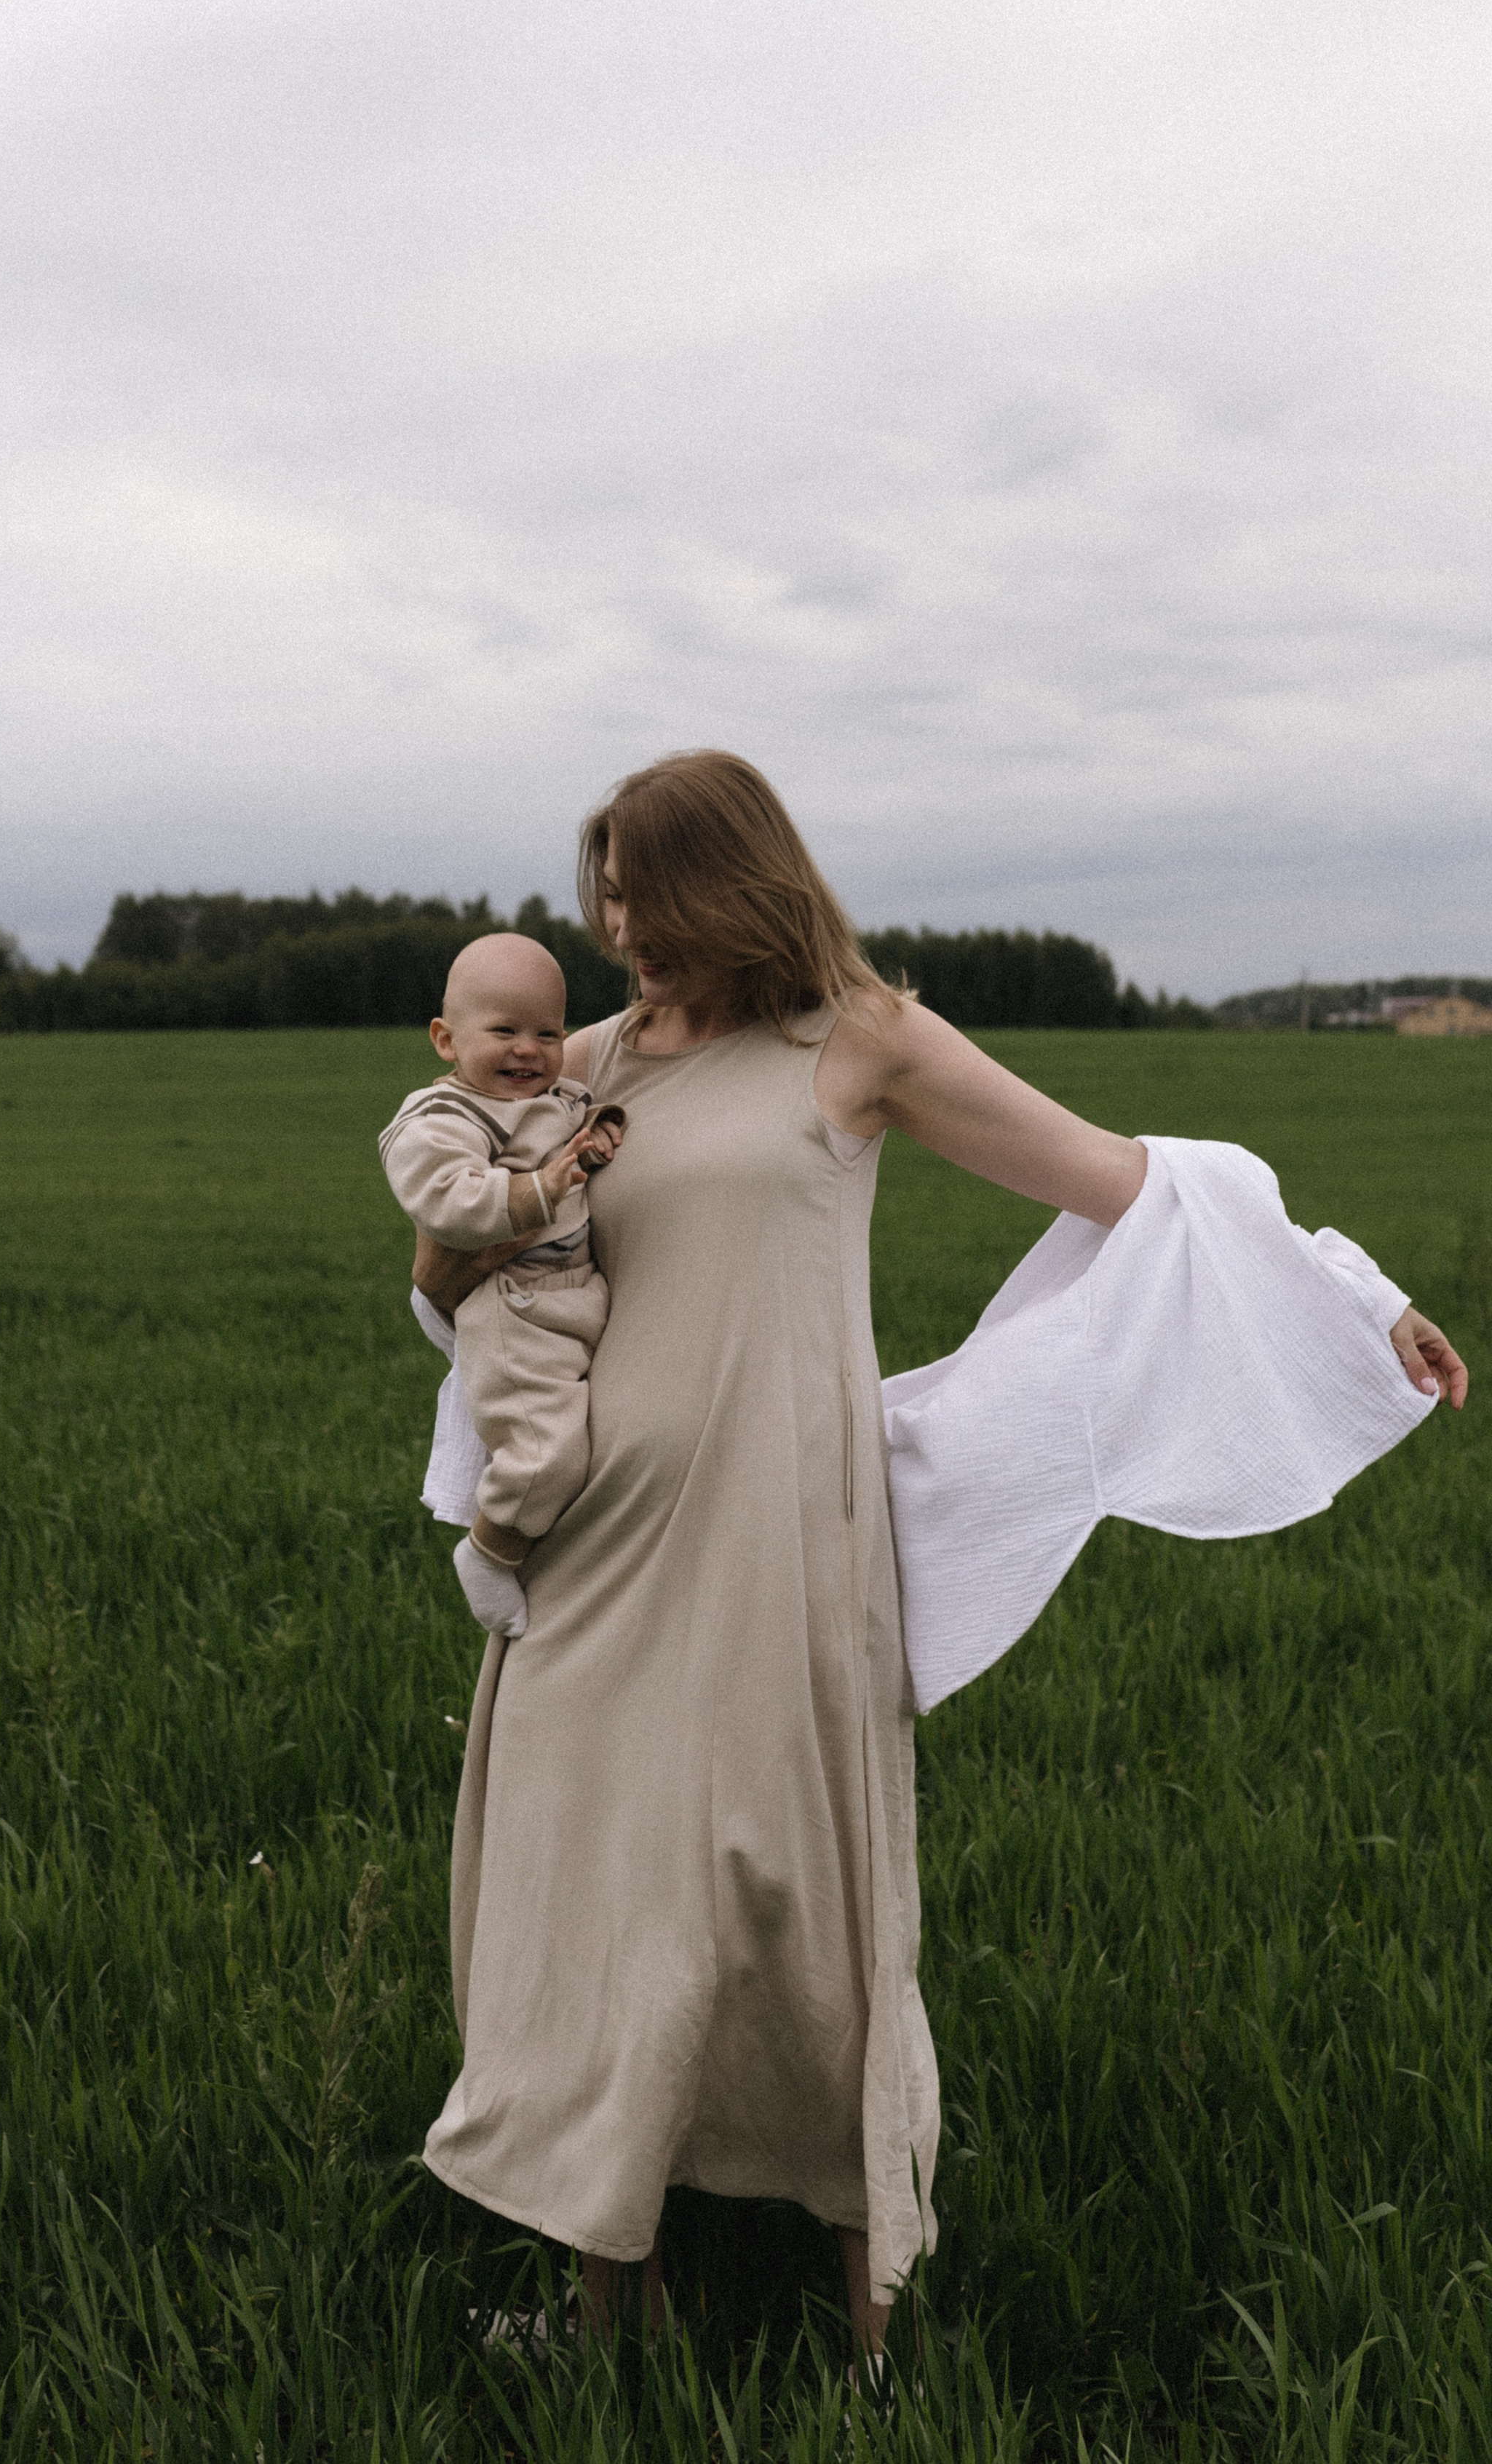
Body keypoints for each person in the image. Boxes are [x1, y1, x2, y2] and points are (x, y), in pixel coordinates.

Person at [408, 750, 1469, 2363]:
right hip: (591, 1552)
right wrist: (472, 1214)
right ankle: (607, 2308)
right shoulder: (588, 1066)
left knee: (807, 1910)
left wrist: (1351, 1297)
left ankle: (873, 2346)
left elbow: (1133, 1184)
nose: (621, 934)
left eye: (648, 900)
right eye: (605, 900)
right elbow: (457, 1267)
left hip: (775, 1547)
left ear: (733, 885)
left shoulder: (861, 1038)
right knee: (594, 1902)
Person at [381, 931, 624, 1637]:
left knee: (589, 1437)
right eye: (504, 1031)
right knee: (546, 1452)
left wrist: (599, 1133)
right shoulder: (441, 1120)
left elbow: (575, 1128)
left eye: (548, 1033)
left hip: (575, 1296)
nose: (528, 1050)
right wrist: (536, 1189)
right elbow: (448, 1200)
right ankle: (489, 1551)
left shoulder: (555, 1096)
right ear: (446, 1040)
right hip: (512, 1309)